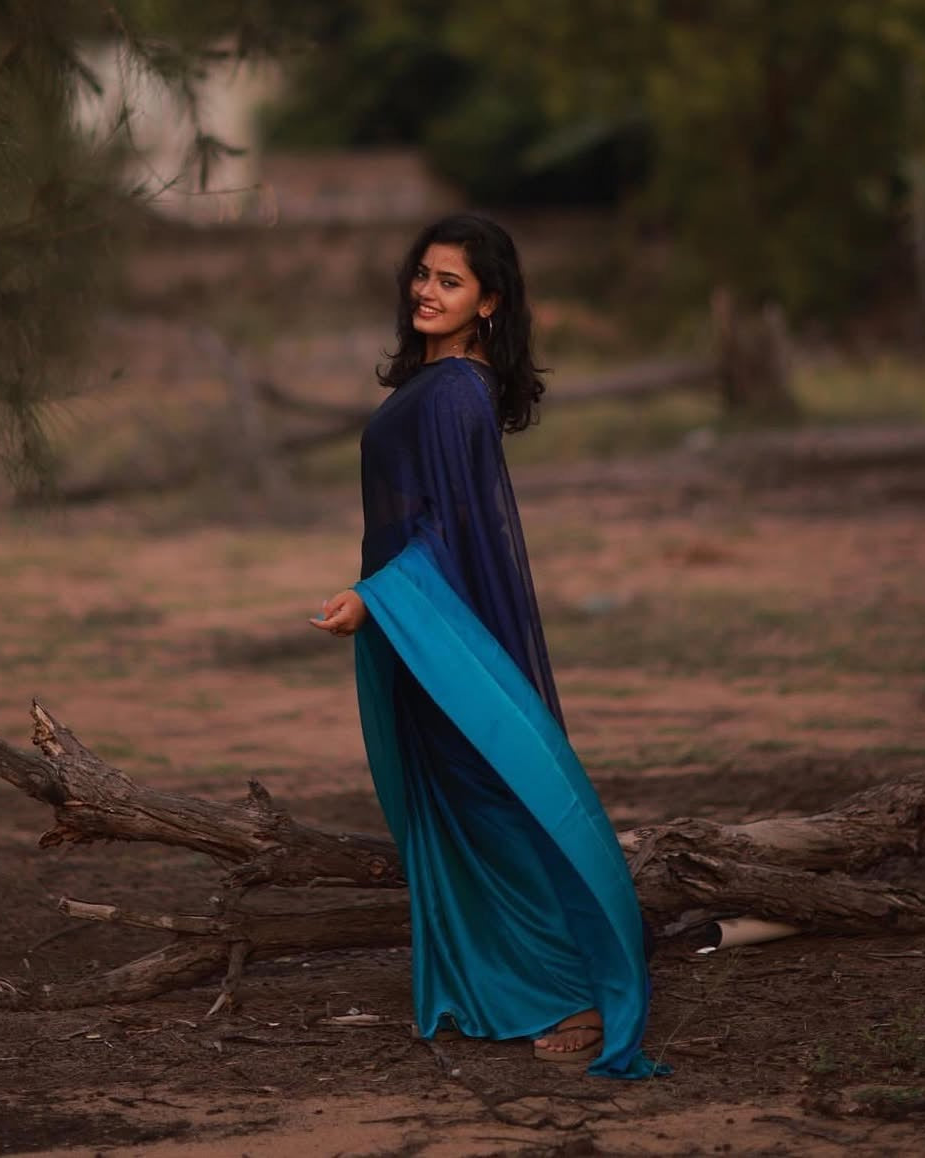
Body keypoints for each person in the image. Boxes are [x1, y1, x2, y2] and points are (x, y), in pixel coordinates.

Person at [310, 214, 667, 1079]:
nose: (427, 292)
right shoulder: (432, 386)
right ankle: (498, 985)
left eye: (451, 282)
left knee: (493, 804)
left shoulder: (456, 394)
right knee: (464, 805)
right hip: (423, 626)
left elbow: (443, 531)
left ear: (490, 304)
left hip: (443, 629)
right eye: (423, 275)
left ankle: (576, 992)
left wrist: (375, 597)